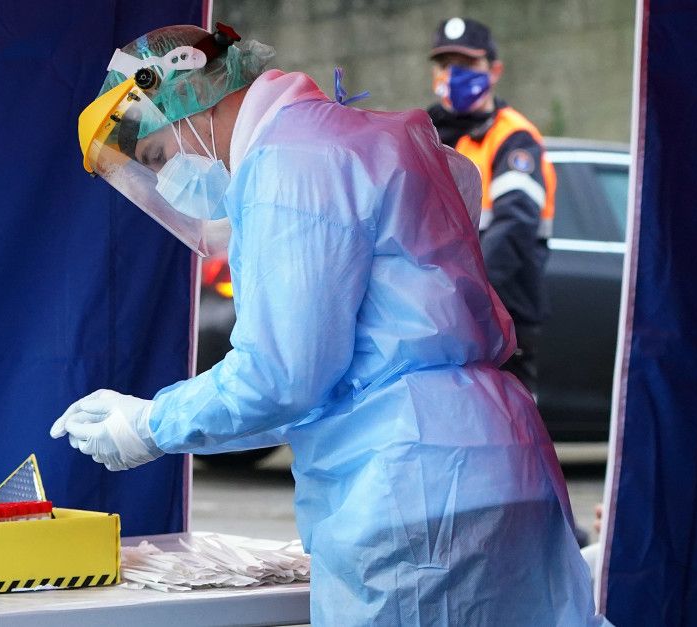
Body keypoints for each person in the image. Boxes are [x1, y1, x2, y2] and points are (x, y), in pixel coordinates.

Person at [53, 23, 604, 625]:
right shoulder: (350, 138)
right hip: (498, 464)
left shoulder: (288, 165)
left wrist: (151, 423)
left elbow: (280, 377)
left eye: (158, 155)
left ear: (191, 97)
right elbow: (320, 385)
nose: (167, 181)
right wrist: (158, 420)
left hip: (410, 492)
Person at [427, 17, 556, 397]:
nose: (453, 74)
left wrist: (459, 291)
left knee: (509, 436)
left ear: (494, 70)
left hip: (501, 317)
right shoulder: (425, 131)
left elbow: (515, 225)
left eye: (466, 65)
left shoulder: (513, 137)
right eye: (445, 64)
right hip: (441, 316)